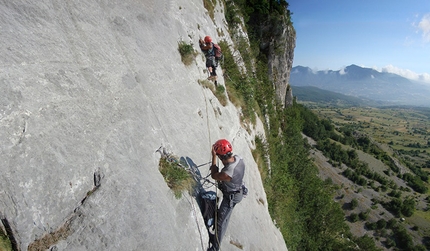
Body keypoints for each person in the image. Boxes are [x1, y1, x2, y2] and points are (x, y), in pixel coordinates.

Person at [208, 139, 245, 251]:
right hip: (236, 191)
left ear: (220, 156)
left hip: (231, 197)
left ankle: (215, 247)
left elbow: (214, 175)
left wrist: (213, 157)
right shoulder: (238, 159)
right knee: (224, 217)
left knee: (221, 222)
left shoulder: (227, 172)